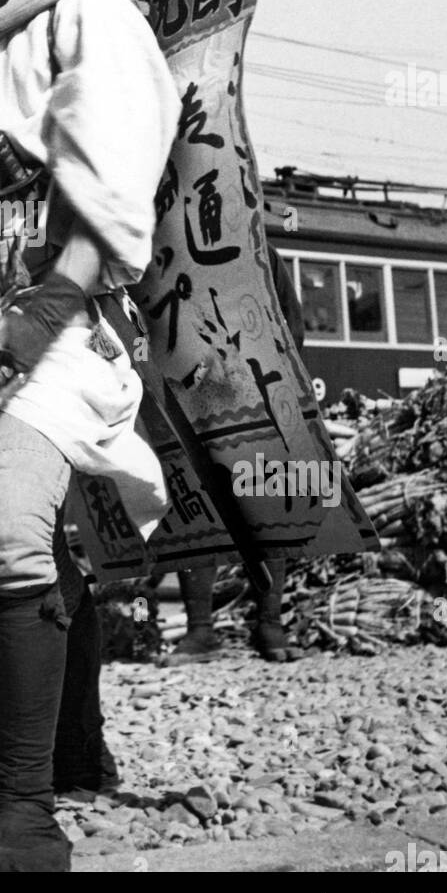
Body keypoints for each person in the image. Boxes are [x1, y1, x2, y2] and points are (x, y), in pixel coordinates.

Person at [0, 0, 181, 871]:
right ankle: (76, 744)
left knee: (0, 517)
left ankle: (26, 812)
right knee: (38, 545)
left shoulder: (97, 22)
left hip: (71, 327)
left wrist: (25, 330)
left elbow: (103, 222)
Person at [165, 242, 307, 665]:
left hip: (256, 396)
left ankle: (269, 626)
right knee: (199, 510)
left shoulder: (261, 251)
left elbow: (291, 327)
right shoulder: (172, 253)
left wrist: (274, 384)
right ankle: (201, 633)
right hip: (195, 400)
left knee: (268, 512)